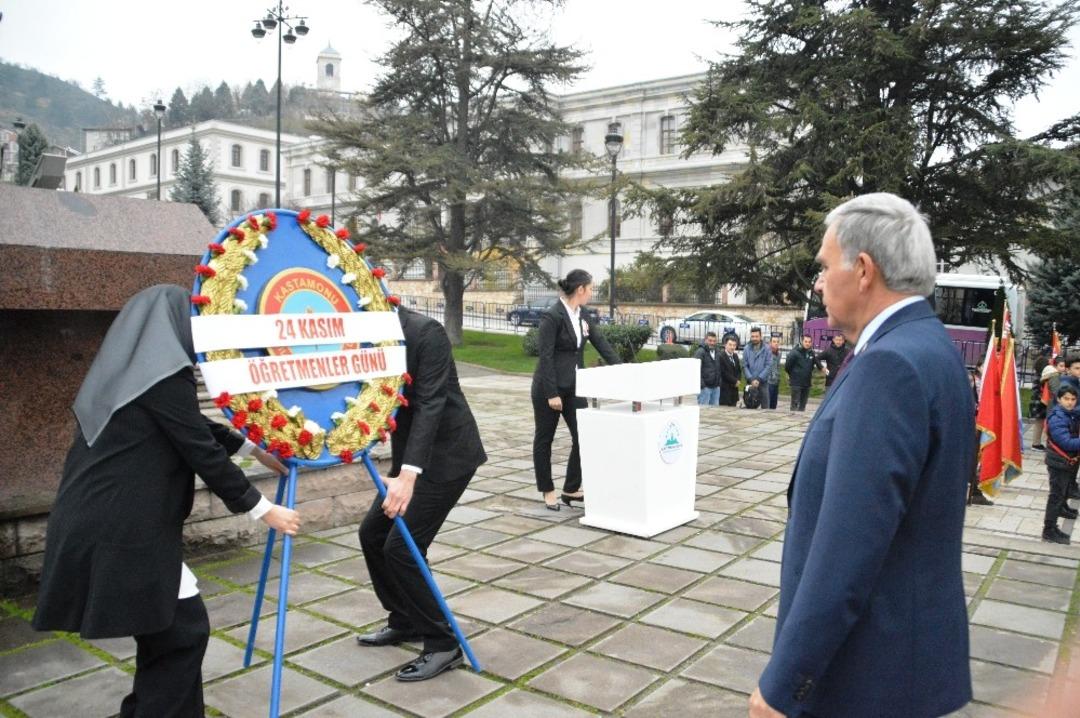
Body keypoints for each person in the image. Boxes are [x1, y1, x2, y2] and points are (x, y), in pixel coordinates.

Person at [751, 194, 974, 718]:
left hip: (867, 676)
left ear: (865, 270)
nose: (820, 282)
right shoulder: (929, 346)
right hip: (909, 658)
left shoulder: (890, 366)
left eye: (827, 266)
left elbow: (847, 546)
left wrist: (786, 683)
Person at [32, 285, 300, 717]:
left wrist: (254, 451)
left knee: (166, 633)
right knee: (182, 631)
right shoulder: (162, 378)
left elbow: (189, 425)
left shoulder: (136, 373)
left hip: (109, 520)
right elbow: (197, 446)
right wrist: (262, 508)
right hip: (121, 528)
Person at [357, 306, 487, 681]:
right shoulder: (366, 334)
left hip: (448, 457)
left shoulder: (425, 333)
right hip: (411, 458)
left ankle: (443, 645)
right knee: (373, 535)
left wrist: (408, 474)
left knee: (402, 549)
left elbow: (431, 403)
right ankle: (406, 619)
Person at [530, 270, 621, 510]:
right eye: (591, 289)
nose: (592, 293)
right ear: (580, 289)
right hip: (548, 388)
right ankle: (547, 490)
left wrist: (624, 369)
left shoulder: (583, 315)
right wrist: (551, 393)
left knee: (585, 436)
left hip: (574, 387)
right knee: (544, 439)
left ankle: (570, 488)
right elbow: (546, 356)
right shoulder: (553, 316)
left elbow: (601, 343)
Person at [1041, 385, 1080, 545]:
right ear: (1058, 399)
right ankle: (1049, 529)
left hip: (1065, 462)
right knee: (1056, 496)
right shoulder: (1058, 418)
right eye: (1066, 399)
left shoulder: (1069, 413)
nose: (1070, 403)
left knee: (1062, 492)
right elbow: (1067, 443)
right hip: (1058, 462)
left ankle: (1060, 513)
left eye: (1073, 399)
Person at [784, 335, 817, 411]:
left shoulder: (811, 353)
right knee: (795, 404)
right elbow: (787, 366)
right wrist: (793, 374)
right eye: (806, 341)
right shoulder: (794, 353)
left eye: (809, 342)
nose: (807, 343)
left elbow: (812, 365)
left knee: (803, 405)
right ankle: (793, 420)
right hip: (796, 383)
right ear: (802, 341)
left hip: (806, 383)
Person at [742, 327, 772, 409]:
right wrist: (751, 379)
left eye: (756, 336)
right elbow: (744, 365)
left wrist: (759, 379)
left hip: (763, 382)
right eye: (753, 336)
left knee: (765, 408)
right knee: (749, 407)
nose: (754, 338)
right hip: (750, 383)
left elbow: (768, 365)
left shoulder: (767, 349)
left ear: (760, 336)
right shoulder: (746, 349)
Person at [692, 331, 722, 405]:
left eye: (714, 341)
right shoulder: (700, 352)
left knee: (714, 413)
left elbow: (719, 368)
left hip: (716, 388)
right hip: (705, 388)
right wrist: (702, 386)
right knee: (704, 413)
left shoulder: (718, 352)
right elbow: (695, 370)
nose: (712, 343)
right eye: (710, 340)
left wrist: (718, 384)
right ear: (705, 340)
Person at [718, 336, 742, 406]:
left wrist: (738, 380)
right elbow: (724, 372)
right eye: (730, 344)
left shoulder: (735, 356)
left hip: (734, 390)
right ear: (725, 345)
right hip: (725, 390)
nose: (732, 347)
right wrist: (735, 381)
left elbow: (739, 370)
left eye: (734, 345)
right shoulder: (721, 356)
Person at [766, 334, 782, 409]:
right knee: (768, 404)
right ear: (770, 343)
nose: (776, 343)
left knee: (774, 404)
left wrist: (778, 376)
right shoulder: (766, 353)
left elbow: (778, 367)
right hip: (768, 382)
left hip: (776, 382)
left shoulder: (779, 354)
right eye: (774, 341)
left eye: (777, 342)